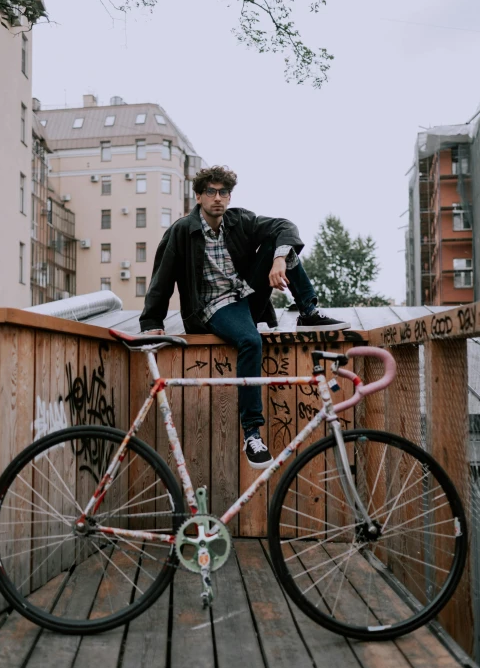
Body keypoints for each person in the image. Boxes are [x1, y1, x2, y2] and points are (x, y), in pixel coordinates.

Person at [140, 165, 350, 469]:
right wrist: (152, 324)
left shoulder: (239, 220)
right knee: (250, 341)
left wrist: (278, 258)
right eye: (210, 192)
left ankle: (308, 311)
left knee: (281, 243)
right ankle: (252, 433)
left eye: (223, 192)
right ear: (198, 196)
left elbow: (284, 225)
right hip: (211, 307)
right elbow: (163, 276)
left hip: (247, 296)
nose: (217, 198)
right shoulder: (182, 231)